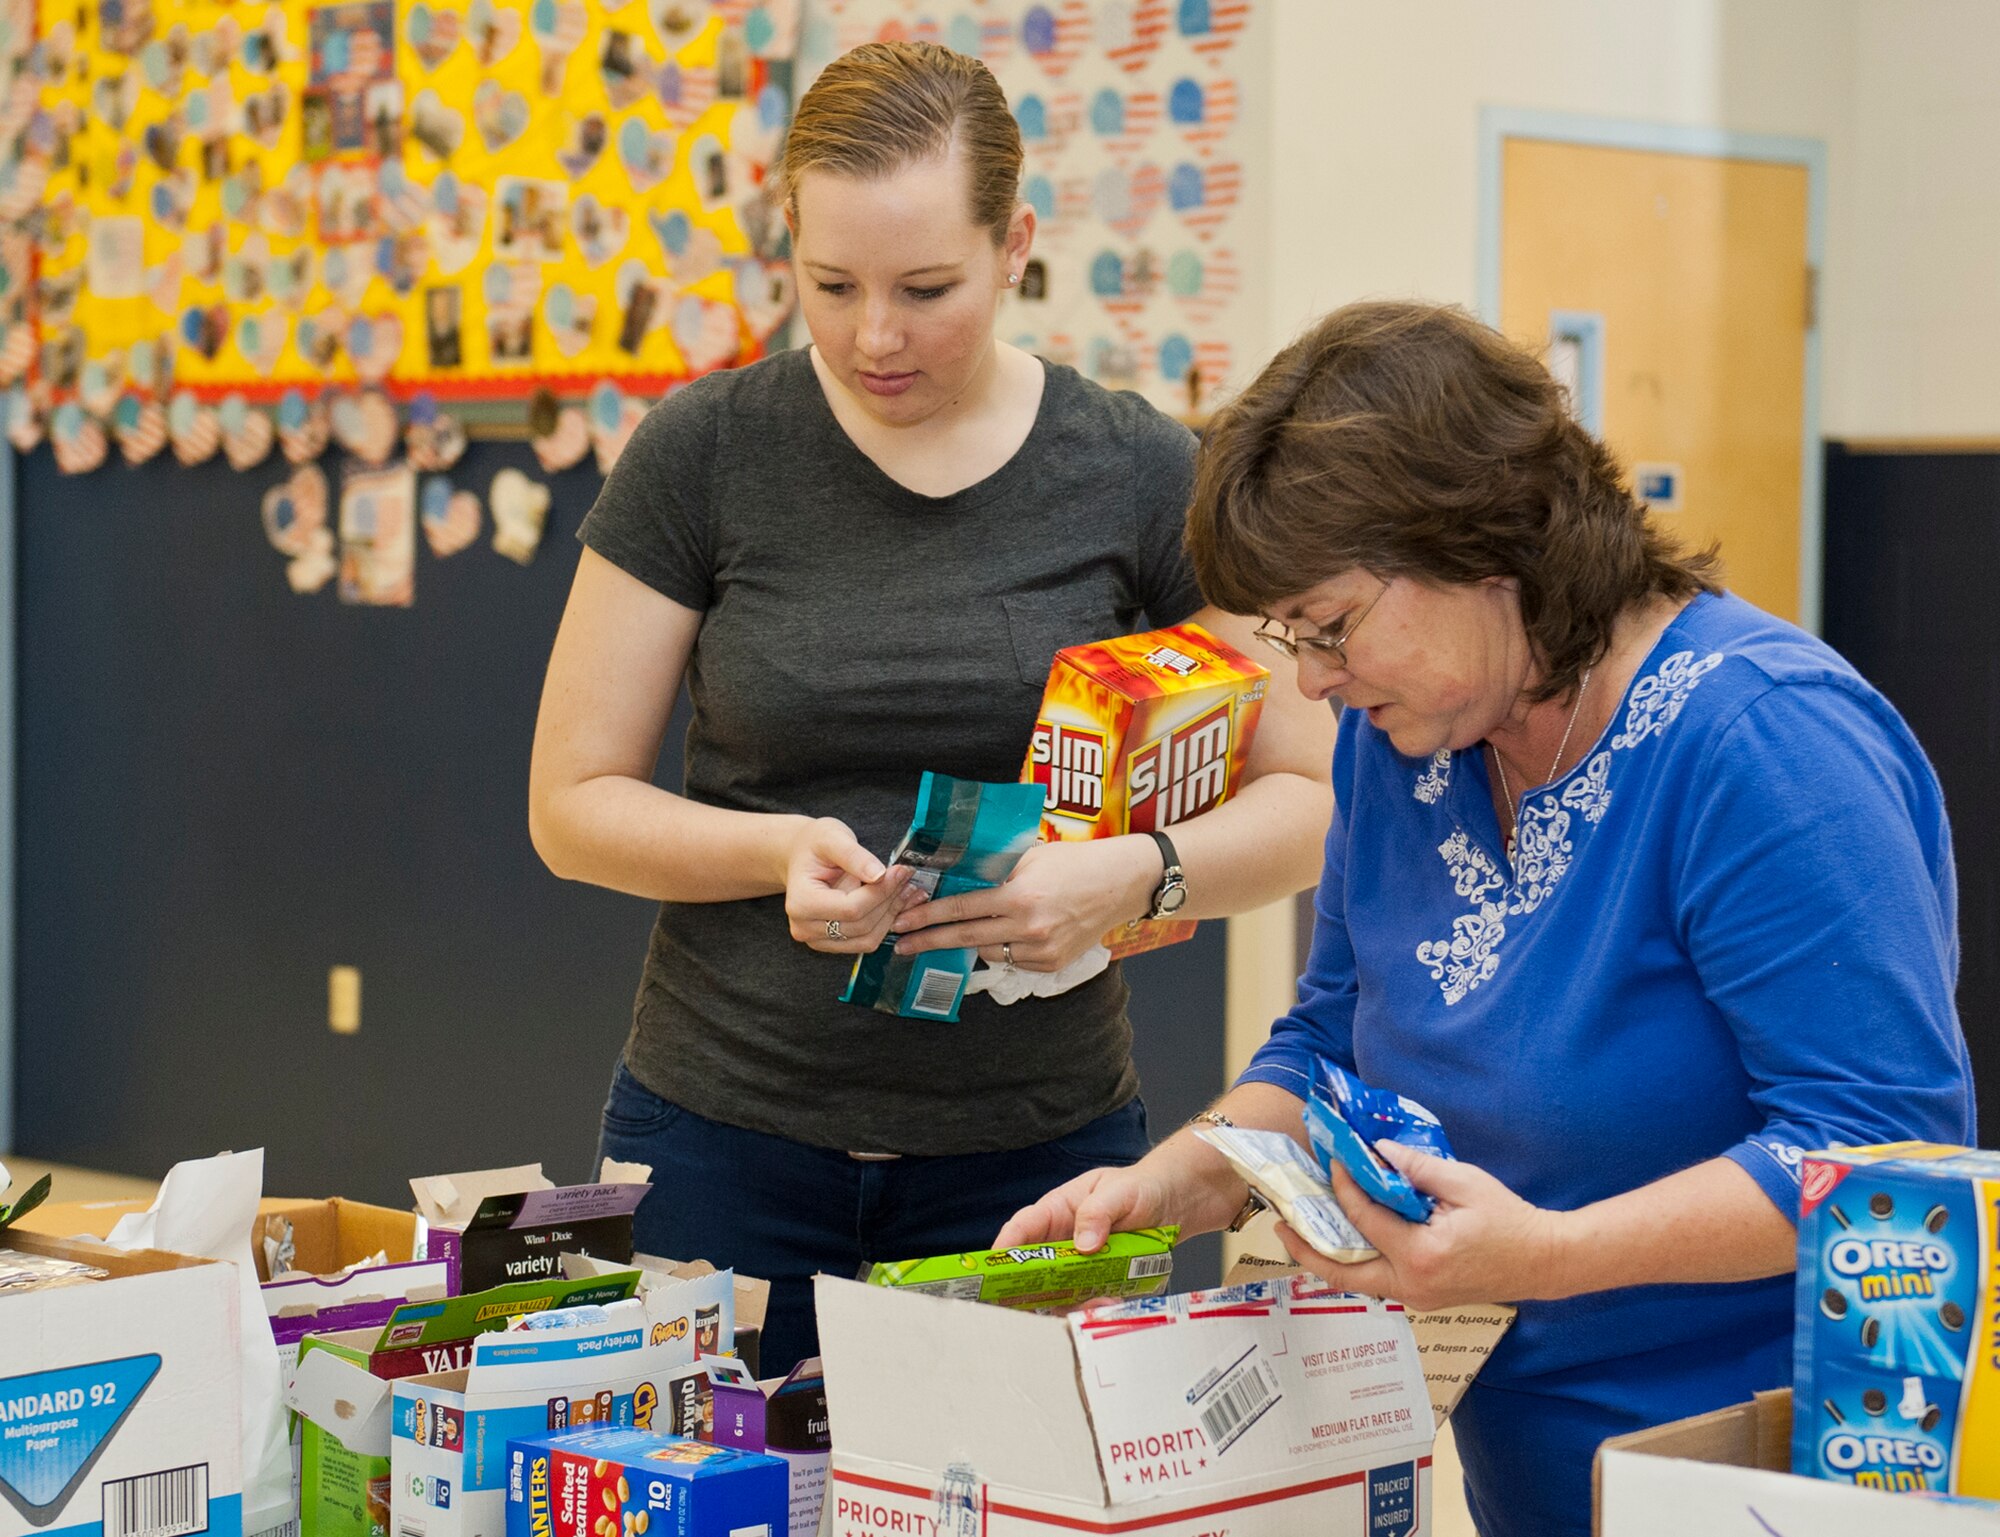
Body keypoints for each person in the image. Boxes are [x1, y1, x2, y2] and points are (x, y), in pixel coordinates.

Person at [996, 301, 1975, 1537]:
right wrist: (1189, 1173)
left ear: (1484, 546)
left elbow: (1883, 1159)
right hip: (1526, 1471)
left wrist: (1547, 1253)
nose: (1310, 680)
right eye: (1290, 638)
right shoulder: (1398, 746)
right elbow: (1330, 1041)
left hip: (1758, 1469)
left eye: (1332, 626)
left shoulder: (1761, 744)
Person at [527, 41, 1337, 1375]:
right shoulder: (703, 453)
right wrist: (772, 850)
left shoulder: (1141, 471)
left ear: (1016, 244)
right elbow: (572, 806)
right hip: (720, 1137)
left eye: (926, 287)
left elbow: (1312, 794)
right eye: (829, 284)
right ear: (786, 233)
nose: (872, 335)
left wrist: (1130, 874)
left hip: (1035, 1162)